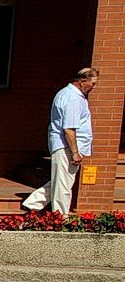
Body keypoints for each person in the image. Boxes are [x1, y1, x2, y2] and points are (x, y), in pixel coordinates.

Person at [23, 67, 99, 213]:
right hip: (67, 146)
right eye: (93, 83)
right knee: (64, 185)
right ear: (82, 81)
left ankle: (33, 203)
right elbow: (69, 128)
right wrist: (75, 151)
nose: (93, 87)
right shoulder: (73, 98)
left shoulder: (68, 94)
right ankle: (60, 217)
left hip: (65, 145)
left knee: (60, 180)